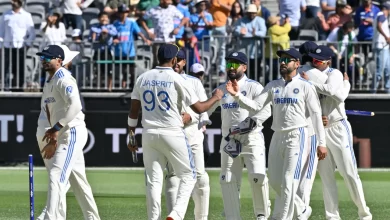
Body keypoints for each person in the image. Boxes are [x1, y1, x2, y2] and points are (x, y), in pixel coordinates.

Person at [226, 48, 327, 220]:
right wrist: (237, 96)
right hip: (277, 136)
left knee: (288, 181)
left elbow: (316, 114)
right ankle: (301, 209)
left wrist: (321, 142)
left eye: (287, 60)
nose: (282, 62)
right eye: (281, 59)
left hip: (297, 135)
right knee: (274, 180)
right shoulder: (273, 85)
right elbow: (256, 107)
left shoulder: (305, 86)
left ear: (297, 64)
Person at [127, 44, 223, 220]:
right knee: (189, 175)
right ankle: (177, 214)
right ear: (173, 60)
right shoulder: (178, 79)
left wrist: (131, 134)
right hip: (172, 132)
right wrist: (216, 98)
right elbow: (200, 107)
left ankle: (153, 218)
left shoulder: (143, 77)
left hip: (148, 133)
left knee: (153, 181)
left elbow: (134, 111)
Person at [301, 45, 372, 220]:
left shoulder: (335, 74)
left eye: (319, 60)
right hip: (320, 129)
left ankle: (364, 214)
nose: (315, 63)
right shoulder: (309, 73)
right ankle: (332, 216)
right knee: (326, 176)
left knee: (349, 172)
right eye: (314, 60)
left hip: (338, 127)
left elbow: (335, 94)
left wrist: (308, 82)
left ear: (327, 61)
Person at [36, 45, 100, 220]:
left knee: (56, 176)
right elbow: (49, 110)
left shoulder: (63, 78)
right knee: (79, 182)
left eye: (47, 58)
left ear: (59, 60)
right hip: (61, 133)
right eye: (43, 57)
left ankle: (50, 217)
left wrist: (57, 129)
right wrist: (53, 135)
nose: (44, 60)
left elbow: (76, 106)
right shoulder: (49, 81)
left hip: (72, 132)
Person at [207, 51, 271, 220]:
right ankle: (232, 213)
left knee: (257, 177)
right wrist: (198, 122)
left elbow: (265, 110)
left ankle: (262, 214)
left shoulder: (254, 87)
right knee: (228, 179)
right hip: (229, 141)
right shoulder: (221, 89)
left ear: (244, 67)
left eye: (235, 64)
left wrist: (250, 123)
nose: (231, 67)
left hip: (252, 139)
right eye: (229, 64)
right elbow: (207, 111)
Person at [165, 49, 211, 220]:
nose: (176, 63)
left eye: (180, 60)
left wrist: (190, 116)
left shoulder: (194, 82)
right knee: (173, 178)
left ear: (184, 62)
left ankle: (202, 218)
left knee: (201, 179)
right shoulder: (163, 79)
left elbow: (204, 109)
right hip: (172, 135)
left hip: (192, 135)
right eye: (174, 59)